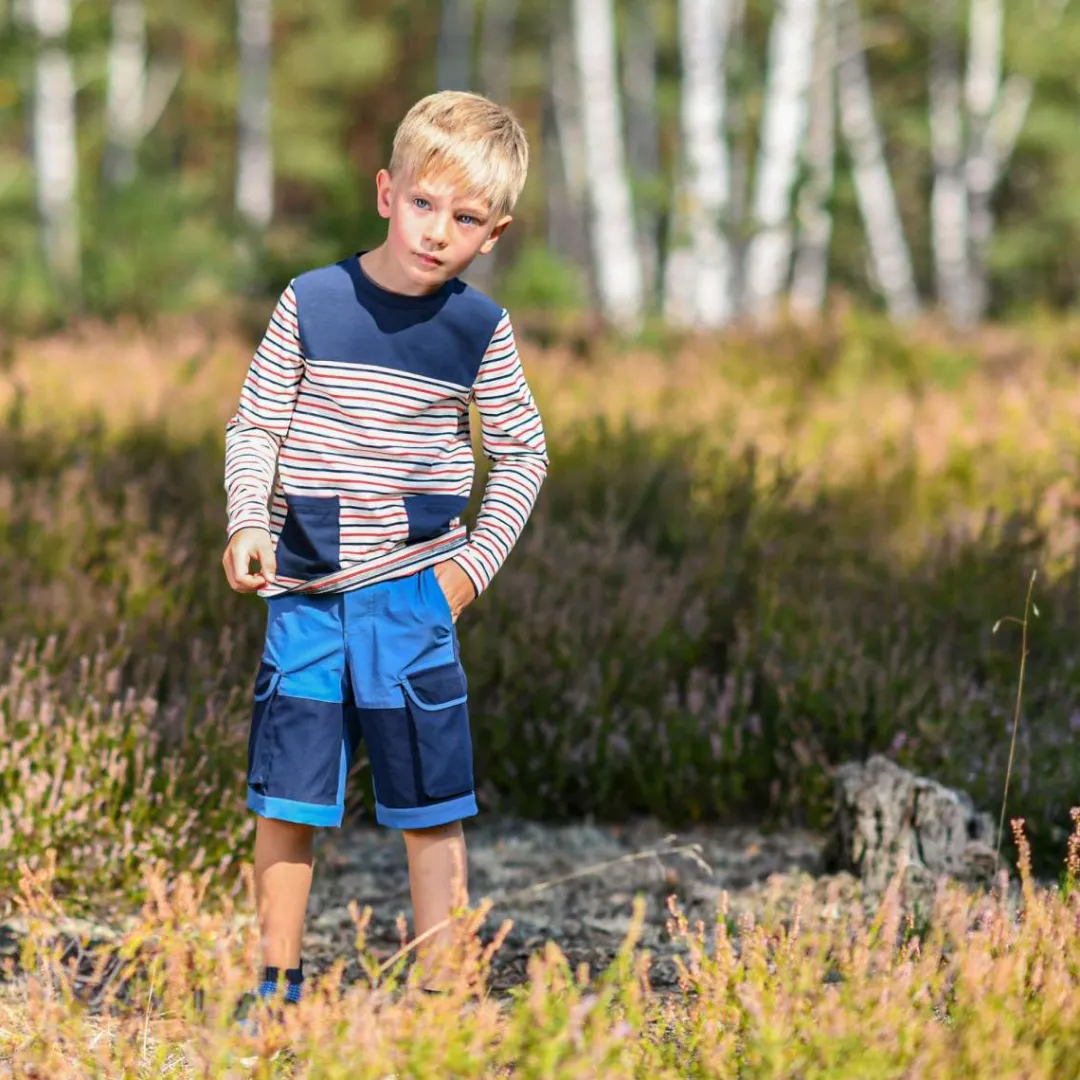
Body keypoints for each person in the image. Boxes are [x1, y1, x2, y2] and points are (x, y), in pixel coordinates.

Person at [220, 90, 548, 1009]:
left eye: (466, 218)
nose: (437, 230)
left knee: (430, 805)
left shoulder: (479, 330)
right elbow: (256, 426)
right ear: (385, 193)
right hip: (306, 597)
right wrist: (248, 520)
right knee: (286, 800)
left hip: (413, 604)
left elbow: (523, 454)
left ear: (495, 234)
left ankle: (443, 1000)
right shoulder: (311, 302)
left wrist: (466, 573)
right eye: (423, 203)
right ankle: (275, 990)